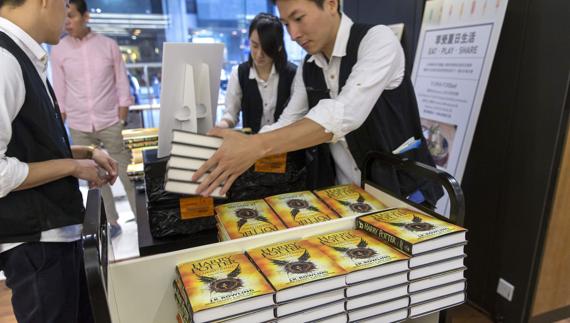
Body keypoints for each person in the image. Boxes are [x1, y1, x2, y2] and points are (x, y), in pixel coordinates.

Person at [194, 0, 443, 207]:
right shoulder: (309, 65)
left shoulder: (377, 40)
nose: (293, 34)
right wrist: (241, 146)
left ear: (332, 4)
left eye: (299, 18)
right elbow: (289, 120)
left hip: (402, 193)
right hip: (347, 199)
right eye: (286, 24)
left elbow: (343, 114)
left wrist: (256, 146)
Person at [0, 0, 118, 321]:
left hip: (52, 237)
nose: (65, 15)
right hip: (36, 244)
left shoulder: (22, 55)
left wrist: (84, 153)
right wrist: (72, 166)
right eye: (65, 4)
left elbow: (26, 146)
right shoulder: (4, 60)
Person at [51, 0, 135, 238]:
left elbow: (121, 83)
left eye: (72, 16)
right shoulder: (59, 50)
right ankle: (111, 223)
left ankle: (142, 217)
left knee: (126, 172)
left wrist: (121, 119)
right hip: (79, 124)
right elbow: (60, 91)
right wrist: (61, 126)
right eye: (65, 17)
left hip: (109, 121)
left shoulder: (108, 45)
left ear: (86, 16)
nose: (67, 22)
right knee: (95, 178)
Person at [216, 13, 297, 134]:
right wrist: (221, 126)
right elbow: (231, 115)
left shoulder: (293, 74)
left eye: (266, 48)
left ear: (279, 47)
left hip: (286, 147)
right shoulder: (239, 73)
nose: (259, 54)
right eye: (254, 46)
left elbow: (295, 117)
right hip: (252, 147)